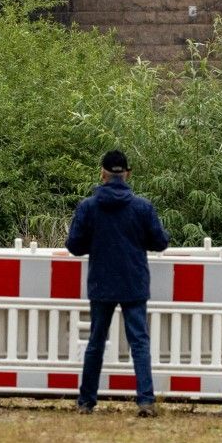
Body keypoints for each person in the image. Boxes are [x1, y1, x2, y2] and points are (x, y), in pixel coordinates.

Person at [66, 149, 170, 417]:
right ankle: (145, 400)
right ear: (127, 174)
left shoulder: (88, 207)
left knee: (96, 342)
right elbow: (160, 242)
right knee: (139, 342)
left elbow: (74, 246)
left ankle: (86, 401)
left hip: (101, 283)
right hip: (134, 282)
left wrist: (96, 242)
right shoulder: (142, 207)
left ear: (102, 174)